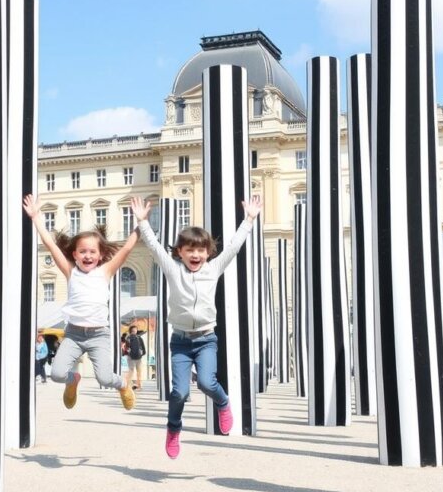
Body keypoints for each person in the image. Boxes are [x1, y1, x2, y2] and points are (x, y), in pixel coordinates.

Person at [130, 194, 263, 459]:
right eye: (189, 250)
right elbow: (156, 248)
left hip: (206, 339)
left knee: (206, 382)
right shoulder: (173, 269)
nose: (195, 255)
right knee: (179, 392)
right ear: (180, 252)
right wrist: (143, 223)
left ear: (207, 253)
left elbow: (233, 248)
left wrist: (248, 219)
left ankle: (223, 402)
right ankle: (173, 429)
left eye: (201, 250)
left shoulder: (213, 269)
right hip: (180, 341)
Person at [23, 193, 138, 411]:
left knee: (105, 379)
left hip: (98, 335)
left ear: (100, 254)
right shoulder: (70, 271)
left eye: (92, 252)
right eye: (82, 252)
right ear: (74, 255)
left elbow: (126, 249)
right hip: (74, 334)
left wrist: (139, 223)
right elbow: (50, 244)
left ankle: (123, 384)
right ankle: (73, 380)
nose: (87, 256)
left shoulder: (105, 271)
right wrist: (36, 217)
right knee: (57, 374)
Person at [125, 325, 147, 390]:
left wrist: (129, 353)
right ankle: (138, 385)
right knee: (139, 372)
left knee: (131, 371)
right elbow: (143, 348)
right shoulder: (139, 338)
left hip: (131, 357)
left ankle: (128, 385)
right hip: (138, 357)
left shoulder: (128, 338)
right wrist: (142, 354)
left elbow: (126, 348)